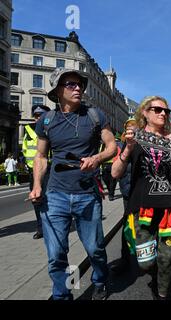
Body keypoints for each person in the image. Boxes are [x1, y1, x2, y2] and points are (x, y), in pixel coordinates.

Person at [29, 67, 117, 300]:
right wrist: (37, 184)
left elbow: (112, 146)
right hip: (55, 194)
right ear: (58, 90)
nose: (78, 88)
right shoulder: (47, 120)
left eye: (80, 84)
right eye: (70, 84)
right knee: (57, 253)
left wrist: (96, 158)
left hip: (87, 194)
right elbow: (40, 156)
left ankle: (100, 279)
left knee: (95, 248)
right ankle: (62, 295)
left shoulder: (95, 115)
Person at [111, 96, 171, 300]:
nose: (162, 113)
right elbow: (115, 173)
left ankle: (162, 293)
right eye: (156, 109)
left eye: (165, 110)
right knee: (146, 262)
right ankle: (154, 275)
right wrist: (128, 148)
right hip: (142, 209)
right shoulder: (134, 137)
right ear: (145, 113)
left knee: (166, 260)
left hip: (170, 208)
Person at [110, 118, 137, 275]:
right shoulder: (121, 146)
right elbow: (116, 170)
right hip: (128, 191)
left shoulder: (144, 144)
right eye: (129, 128)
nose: (131, 131)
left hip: (143, 191)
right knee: (127, 224)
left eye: (135, 128)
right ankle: (125, 259)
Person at [22, 104, 51, 239]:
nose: (38, 118)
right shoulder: (27, 130)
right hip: (33, 171)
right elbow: (25, 149)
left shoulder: (52, 129)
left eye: (42, 115)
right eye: (36, 116)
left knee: (49, 200)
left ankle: (51, 226)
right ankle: (40, 228)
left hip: (50, 170)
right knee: (36, 200)